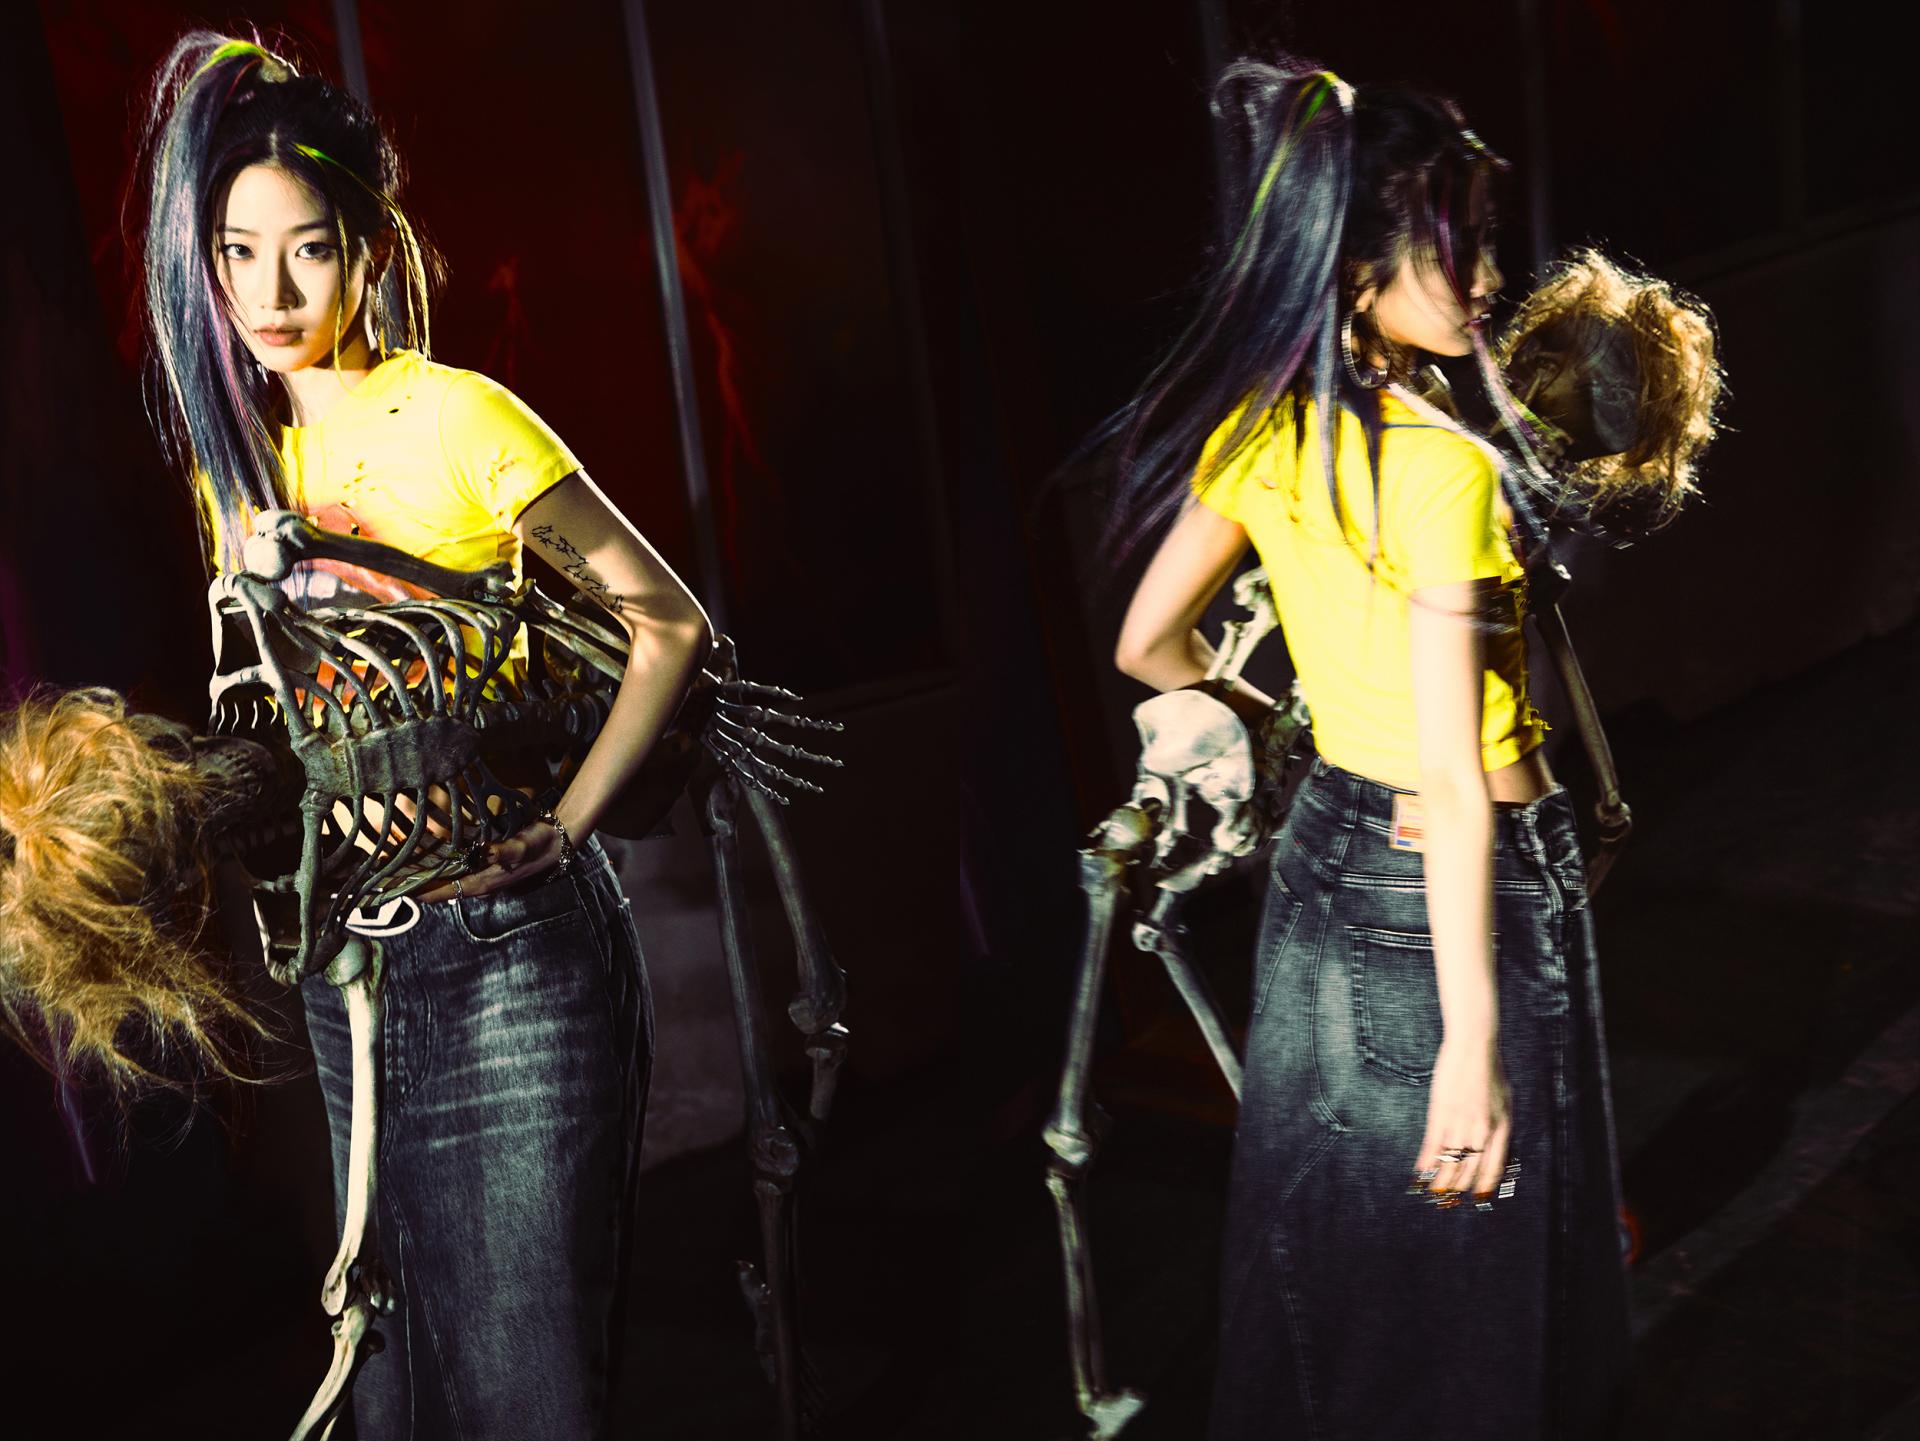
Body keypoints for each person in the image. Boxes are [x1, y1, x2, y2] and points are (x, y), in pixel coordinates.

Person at [1104, 61, 1704, 1439]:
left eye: (1486, 237)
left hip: (1330, 866)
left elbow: (1147, 642)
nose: (1486, 277)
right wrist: (1472, 1041)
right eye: (1454, 247)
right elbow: (1450, 777)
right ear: (1359, 268)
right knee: (1481, 1293)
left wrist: (1307, 725)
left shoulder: (1263, 425)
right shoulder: (1445, 473)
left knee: (1347, 1264)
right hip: (1464, 882)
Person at [124, 31, 710, 1439]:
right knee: (387, 1382)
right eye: (238, 253)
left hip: (510, 954)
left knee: (522, 1386)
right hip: (353, 967)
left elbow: (669, 621)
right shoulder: (240, 472)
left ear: (369, 251)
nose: (272, 295)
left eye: (309, 251)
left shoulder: (456, 417)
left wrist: (566, 822)